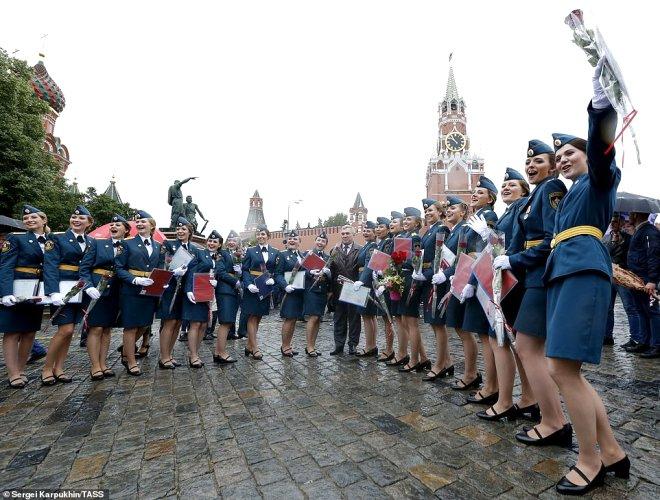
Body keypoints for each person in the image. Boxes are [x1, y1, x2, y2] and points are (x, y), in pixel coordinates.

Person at [543, 61, 628, 494]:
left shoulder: (599, 178)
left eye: (568, 153)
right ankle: (611, 452)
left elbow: (601, 151)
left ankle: (590, 459)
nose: (563, 160)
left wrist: (600, 109)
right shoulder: (571, 193)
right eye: (558, 158)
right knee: (565, 371)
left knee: (562, 369)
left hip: (584, 270)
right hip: (565, 273)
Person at [470, 168, 535, 424]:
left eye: (512, 184)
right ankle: (528, 398)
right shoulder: (510, 211)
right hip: (503, 280)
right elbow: (498, 246)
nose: (506, 187)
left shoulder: (519, 208)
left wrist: (491, 240)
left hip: (513, 281)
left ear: (524, 190)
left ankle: (505, 401)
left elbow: (513, 245)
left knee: (502, 341)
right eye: (504, 184)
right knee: (507, 342)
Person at [452, 177, 498, 396]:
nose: (475, 194)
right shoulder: (476, 217)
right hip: (472, 277)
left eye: (480, 192)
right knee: (481, 334)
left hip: (480, 280)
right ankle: (487, 383)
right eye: (475, 191)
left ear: (490, 198)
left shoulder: (487, 216)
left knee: (486, 336)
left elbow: (485, 251)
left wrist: (471, 282)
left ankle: (491, 386)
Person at [41, 205, 94, 385]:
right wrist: (52, 291)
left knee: (70, 332)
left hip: (81, 289)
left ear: (89, 222)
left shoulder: (91, 241)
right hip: (62, 288)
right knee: (66, 329)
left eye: (81, 218)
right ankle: (47, 369)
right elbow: (49, 265)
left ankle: (59, 368)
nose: (76, 220)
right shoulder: (56, 238)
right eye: (73, 217)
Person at [0, 205, 50, 388]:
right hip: (17, 289)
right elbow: (5, 266)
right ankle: (13, 373)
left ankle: (21, 369)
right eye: (26, 219)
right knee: (12, 332)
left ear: (43, 220)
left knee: (29, 331)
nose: (29, 220)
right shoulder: (15, 238)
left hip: (38, 292)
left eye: (34, 218)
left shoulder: (50, 240)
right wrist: (6, 293)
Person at [79, 214, 130, 380]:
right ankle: (95, 366)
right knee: (96, 328)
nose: (113, 227)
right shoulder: (97, 243)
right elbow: (84, 269)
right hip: (96, 289)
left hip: (115, 291)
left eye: (118, 225)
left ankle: (103, 363)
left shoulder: (128, 247)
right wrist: (88, 286)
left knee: (107, 329)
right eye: (112, 225)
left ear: (126, 230)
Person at [115, 210, 164, 376]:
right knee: (130, 326)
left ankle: (125, 351)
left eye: (143, 221)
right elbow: (119, 268)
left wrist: (162, 282)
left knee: (144, 324)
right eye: (138, 222)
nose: (140, 224)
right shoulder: (127, 243)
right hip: (132, 289)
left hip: (149, 290)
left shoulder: (158, 246)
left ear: (152, 225)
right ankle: (131, 361)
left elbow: (160, 268)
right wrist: (134, 280)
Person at [418, 199, 453, 381]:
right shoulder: (430, 231)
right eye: (426, 211)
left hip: (436, 280)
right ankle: (447, 362)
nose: (427, 213)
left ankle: (439, 365)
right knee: (433, 323)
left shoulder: (442, 229)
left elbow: (442, 258)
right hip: (428, 279)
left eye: (431, 210)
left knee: (438, 323)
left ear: (440, 212)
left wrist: (429, 273)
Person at [158, 217, 195, 369]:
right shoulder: (169, 245)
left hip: (184, 291)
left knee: (179, 322)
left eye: (183, 229)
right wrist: (174, 271)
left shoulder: (194, 249)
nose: (180, 231)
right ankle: (163, 357)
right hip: (170, 289)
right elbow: (162, 264)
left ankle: (169, 354)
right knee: (169, 322)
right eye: (178, 229)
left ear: (189, 232)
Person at [397, 207, 430, 373]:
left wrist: (403, 257)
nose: (405, 222)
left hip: (412, 279)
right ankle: (423, 358)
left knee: (411, 322)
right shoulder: (403, 237)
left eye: (409, 219)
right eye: (405, 219)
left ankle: (415, 360)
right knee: (405, 321)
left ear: (417, 222)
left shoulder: (415, 238)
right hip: (404, 278)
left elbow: (417, 261)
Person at [625, 211, 659, 358]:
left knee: (653, 311)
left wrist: (652, 280)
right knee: (641, 310)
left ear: (637, 214)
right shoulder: (640, 231)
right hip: (638, 278)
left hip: (646, 279)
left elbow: (654, 255)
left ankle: (657, 345)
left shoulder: (649, 232)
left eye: (631, 213)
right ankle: (644, 342)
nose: (629, 215)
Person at [241, 225, 278, 360]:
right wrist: (248, 283)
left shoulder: (275, 252)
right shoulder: (251, 251)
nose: (260, 236)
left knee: (259, 317)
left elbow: (276, 270)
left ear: (268, 236)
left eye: (263, 234)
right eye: (258, 234)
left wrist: (272, 279)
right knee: (252, 316)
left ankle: (249, 345)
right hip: (253, 287)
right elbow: (245, 269)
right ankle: (255, 348)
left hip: (265, 288)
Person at [182, 228, 217, 368]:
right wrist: (189, 289)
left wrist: (217, 280)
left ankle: (195, 352)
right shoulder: (200, 253)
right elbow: (191, 270)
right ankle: (193, 355)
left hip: (208, 292)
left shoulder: (219, 256)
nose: (211, 243)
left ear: (219, 244)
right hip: (196, 290)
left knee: (203, 324)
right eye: (210, 241)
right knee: (195, 323)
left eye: (215, 242)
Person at [603, 215, 639, 347]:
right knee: (608, 308)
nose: (613, 224)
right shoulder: (606, 238)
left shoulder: (629, 238)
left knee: (630, 308)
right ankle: (607, 336)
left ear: (622, 222)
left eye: (616, 221)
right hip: (609, 277)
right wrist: (613, 242)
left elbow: (631, 255)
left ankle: (635, 338)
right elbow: (606, 254)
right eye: (611, 221)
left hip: (623, 278)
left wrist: (621, 242)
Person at [329, 225, 362, 355]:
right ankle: (339, 345)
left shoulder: (359, 250)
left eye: (347, 233)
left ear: (353, 234)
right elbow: (330, 269)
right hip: (338, 289)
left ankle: (353, 345)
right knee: (339, 318)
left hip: (354, 289)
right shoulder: (334, 250)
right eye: (342, 233)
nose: (344, 235)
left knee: (354, 319)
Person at [275, 230, 305, 356]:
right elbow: (277, 274)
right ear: (287, 242)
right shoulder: (282, 255)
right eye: (290, 239)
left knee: (294, 319)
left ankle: (289, 345)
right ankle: (285, 346)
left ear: (299, 242)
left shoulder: (302, 256)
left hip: (299, 292)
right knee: (288, 319)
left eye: (295, 239)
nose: (292, 241)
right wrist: (285, 286)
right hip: (289, 292)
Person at [384, 211, 408, 366]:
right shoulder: (390, 241)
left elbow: (403, 263)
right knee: (397, 319)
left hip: (399, 283)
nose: (391, 225)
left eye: (395, 222)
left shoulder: (403, 239)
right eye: (391, 222)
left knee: (402, 321)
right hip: (391, 283)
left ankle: (402, 353)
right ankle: (401, 353)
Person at [352, 221, 379, 357]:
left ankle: (370, 346)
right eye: (365, 230)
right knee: (369, 316)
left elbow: (369, 265)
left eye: (369, 231)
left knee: (367, 316)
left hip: (366, 282)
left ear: (375, 233)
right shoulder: (367, 245)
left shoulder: (372, 246)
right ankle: (372, 345)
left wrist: (362, 281)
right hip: (365, 280)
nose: (366, 232)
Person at [303, 231, 331, 356]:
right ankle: (308, 346)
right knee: (313, 317)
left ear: (326, 244)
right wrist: (310, 273)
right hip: (311, 290)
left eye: (323, 241)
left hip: (322, 291)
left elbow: (331, 276)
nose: (320, 243)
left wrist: (329, 273)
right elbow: (299, 271)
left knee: (319, 318)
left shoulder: (327, 257)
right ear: (315, 241)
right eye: (318, 240)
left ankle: (312, 346)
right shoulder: (308, 254)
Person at [213, 230, 239, 364]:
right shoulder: (221, 253)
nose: (232, 242)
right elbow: (221, 272)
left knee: (228, 321)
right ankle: (221, 352)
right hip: (225, 290)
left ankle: (218, 351)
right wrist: (236, 281)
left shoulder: (234, 254)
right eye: (229, 240)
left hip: (232, 291)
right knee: (225, 321)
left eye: (234, 240)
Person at [371, 217, 395, 361]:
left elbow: (389, 262)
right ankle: (388, 348)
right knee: (386, 318)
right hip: (381, 283)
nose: (378, 229)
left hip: (387, 283)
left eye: (381, 227)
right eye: (377, 227)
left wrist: (382, 274)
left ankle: (390, 349)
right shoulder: (381, 243)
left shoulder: (388, 242)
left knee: (388, 318)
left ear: (387, 229)